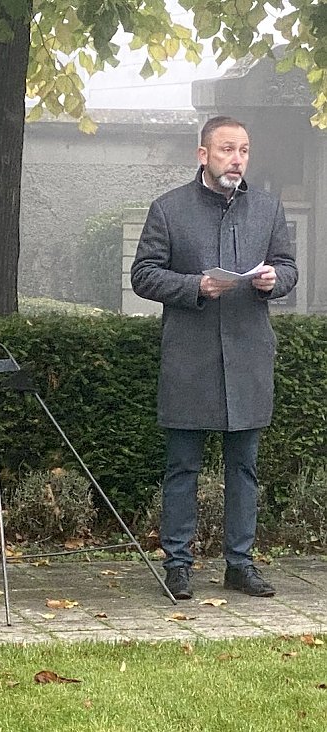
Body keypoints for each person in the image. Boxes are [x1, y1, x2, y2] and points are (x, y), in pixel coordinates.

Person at [131, 115, 297, 600]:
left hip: (248, 357)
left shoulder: (267, 209)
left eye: (244, 150)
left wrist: (273, 282)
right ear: (202, 154)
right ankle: (178, 564)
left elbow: (287, 267)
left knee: (243, 469)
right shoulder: (168, 209)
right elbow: (143, 274)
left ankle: (240, 564)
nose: (237, 159)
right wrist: (194, 286)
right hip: (189, 358)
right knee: (183, 468)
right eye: (227, 149)